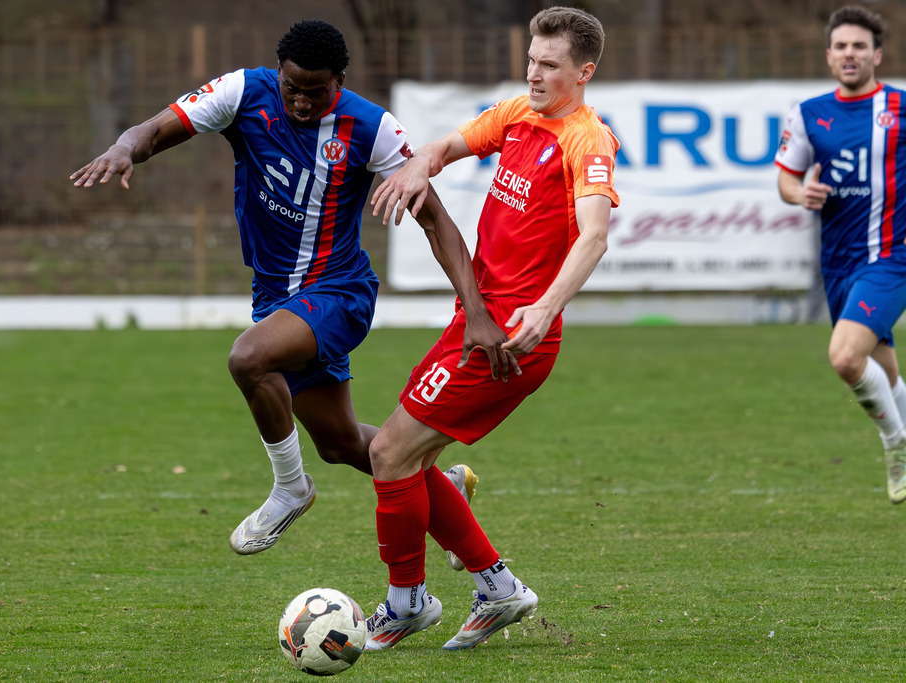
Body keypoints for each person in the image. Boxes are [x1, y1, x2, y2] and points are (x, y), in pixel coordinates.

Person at [70, 20, 509, 557]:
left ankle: (290, 488)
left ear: (338, 81)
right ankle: (461, 515)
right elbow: (159, 129)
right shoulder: (242, 92)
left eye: (315, 91)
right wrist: (124, 148)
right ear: (278, 73)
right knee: (345, 445)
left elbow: (436, 220)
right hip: (277, 298)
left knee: (248, 358)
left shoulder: (371, 128)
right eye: (291, 88)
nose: (301, 102)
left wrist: (476, 309)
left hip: (338, 293)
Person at [363, 6, 619, 651]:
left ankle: (406, 603)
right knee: (411, 460)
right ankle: (498, 589)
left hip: (511, 336)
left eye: (550, 65)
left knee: (390, 452)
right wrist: (422, 164)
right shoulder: (516, 115)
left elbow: (593, 238)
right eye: (531, 59)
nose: (534, 73)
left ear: (582, 73)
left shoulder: (587, 140)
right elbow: (446, 146)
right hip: (478, 320)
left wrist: (545, 307)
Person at [775, 5, 906, 505]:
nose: (850, 54)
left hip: (891, 256)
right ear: (830, 56)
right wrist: (798, 194)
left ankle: (896, 445)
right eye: (841, 46)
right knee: (883, 369)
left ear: (877, 54)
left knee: (845, 358)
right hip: (839, 261)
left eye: (860, 46)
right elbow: (787, 177)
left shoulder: (900, 106)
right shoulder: (808, 112)